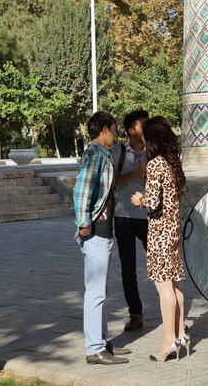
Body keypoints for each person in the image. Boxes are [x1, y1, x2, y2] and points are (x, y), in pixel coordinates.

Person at [73, 111, 131, 365]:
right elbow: (81, 190)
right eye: (115, 129)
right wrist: (84, 223)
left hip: (104, 229)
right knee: (95, 292)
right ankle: (94, 349)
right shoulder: (94, 154)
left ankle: (103, 342)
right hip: (95, 230)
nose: (117, 134)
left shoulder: (103, 154)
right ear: (105, 129)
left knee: (101, 291)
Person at [130, 116, 189, 362]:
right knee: (174, 285)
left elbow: (153, 203)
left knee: (164, 286)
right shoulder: (171, 162)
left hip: (160, 233)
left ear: (150, 137)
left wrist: (140, 199)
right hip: (173, 231)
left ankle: (168, 341)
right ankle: (180, 335)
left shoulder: (155, 164)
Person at [110, 110, 149, 331]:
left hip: (147, 216)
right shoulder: (118, 151)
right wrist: (133, 175)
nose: (148, 128)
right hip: (123, 217)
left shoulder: (153, 151)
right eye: (144, 125)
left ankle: (174, 313)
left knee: (161, 266)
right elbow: (110, 181)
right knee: (128, 268)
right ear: (132, 130)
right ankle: (136, 314)